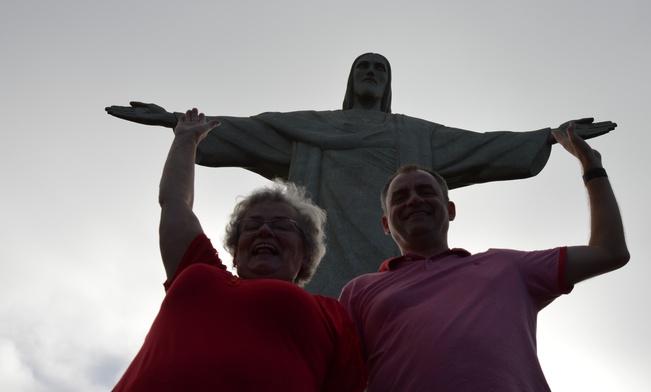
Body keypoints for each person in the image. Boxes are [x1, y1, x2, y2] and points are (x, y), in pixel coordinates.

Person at [106, 53, 617, 298]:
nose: (371, 74)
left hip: (387, 254)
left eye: (380, 69)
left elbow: (480, 147)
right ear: (350, 81)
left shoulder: (415, 134)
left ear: (388, 84)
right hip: (318, 248)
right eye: (363, 68)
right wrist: (178, 123)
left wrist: (550, 135)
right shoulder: (310, 129)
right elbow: (246, 131)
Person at [338, 122, 630, 391]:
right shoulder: (359, 291)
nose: (414, 199)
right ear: (386, 224)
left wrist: (591, 167)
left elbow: (609, 251)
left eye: (426, 191)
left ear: (450, 210)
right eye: (400, 197)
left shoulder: (507, 267)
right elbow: (336, 375)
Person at [112, 109, 367, 391]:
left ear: (306, 253)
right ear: (235, 250)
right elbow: (174, 203)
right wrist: (185, 140)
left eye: (281, 225)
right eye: (252, 224)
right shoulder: (200, 271)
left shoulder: (333, 314)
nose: (264, 230)